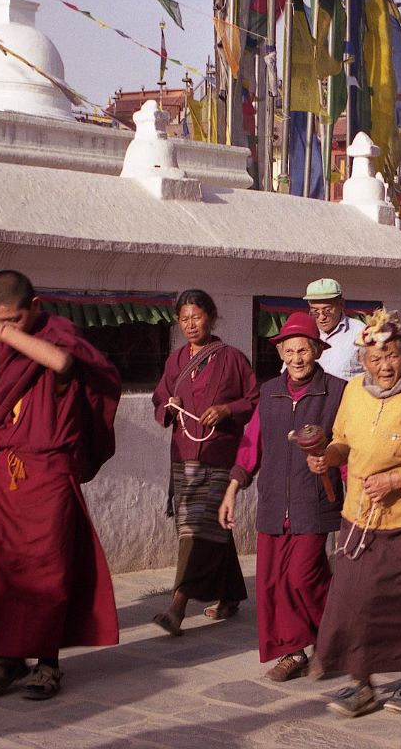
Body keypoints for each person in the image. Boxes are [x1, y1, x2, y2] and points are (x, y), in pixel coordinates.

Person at [0, 271, 121, 699]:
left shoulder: (58, 335)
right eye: (2, 321)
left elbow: (60, 362)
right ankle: (9, 657)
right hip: (9, 467)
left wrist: (4, 331)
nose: (9, 329)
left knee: (46, 570)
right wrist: (7, 334)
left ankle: (48, 663)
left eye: (17, 319)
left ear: (36, 306)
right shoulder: (8, 351)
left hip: (50, 471)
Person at [308, 310, 401, 717]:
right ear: (363, 362)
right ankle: (361, 683)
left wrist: (397, 480)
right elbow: (342, 441)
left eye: (391, 355)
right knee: (355, 599)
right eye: (375, 359)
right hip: (360, 516)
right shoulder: (354, 392)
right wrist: (327, 456)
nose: (384, 365)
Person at [218, 313, 345, 681]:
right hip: (273, 502)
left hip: (315, 499)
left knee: (303, 576)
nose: (297, 358)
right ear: (281, 354)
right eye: (289, 351)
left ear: (317, 350)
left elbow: (349, 443)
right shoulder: (271, 392)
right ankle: (294, 651)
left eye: (303, 349)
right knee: (273, 582)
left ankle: (331, 638)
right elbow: (251, 445)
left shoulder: (336, 391)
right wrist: (232, 489)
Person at [151, 290, 259, 635]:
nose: (190, 324)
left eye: (196, 317)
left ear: (211, 317)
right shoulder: (176, 360)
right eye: (184, 319)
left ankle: (177, 606)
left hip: (219, 455)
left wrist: (228, 410)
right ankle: (230, 595)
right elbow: (160, 399)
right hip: (185, 455)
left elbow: (254, 400)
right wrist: (169, 405)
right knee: (206, 526)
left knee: (196, 529)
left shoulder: (233, 358)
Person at [300, 278, 365, 381]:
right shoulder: (303, 332)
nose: (321, 317)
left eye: (327, 310)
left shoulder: (361, 332)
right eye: (315, 311)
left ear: (341, 304)